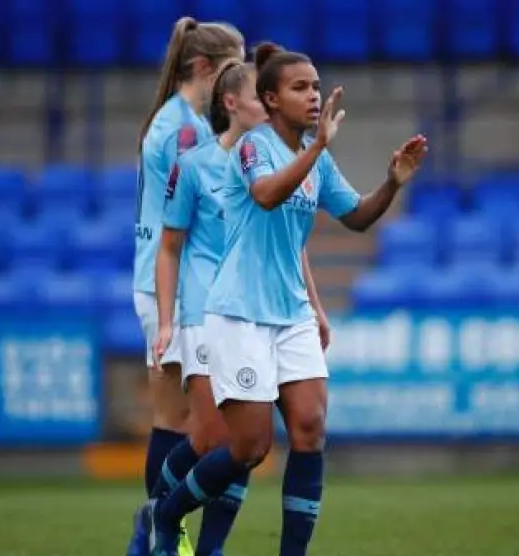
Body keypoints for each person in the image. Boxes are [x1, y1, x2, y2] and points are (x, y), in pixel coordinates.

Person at [144, 42, 428, 556]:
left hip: (292, 313)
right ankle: (165, 514)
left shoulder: (317, 159)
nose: (314, 95)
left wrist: (391, 183)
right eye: (300, 87)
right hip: (238, 312)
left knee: (310, 428)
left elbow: (357, 217)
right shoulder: (253, 146)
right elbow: (266, 195)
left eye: (316, 86)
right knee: (248, 447)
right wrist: (316, 149)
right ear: (271, 100)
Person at [135, 57, 328, 555]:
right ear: (234, 103)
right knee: (215, 439)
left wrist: (314, 305)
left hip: (267, 309)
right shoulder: (194, 164)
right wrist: (166, 320)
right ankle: (158, 516)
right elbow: (169, 246)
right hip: (209, 311)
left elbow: (291, 243)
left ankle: (202, 543)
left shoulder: (276, 161)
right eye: (260, 96)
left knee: (242, 442)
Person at [129, 16, 244, 556]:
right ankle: (162, 528)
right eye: (231, 68)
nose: (240, 80)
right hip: (171, 288)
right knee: (196, 423)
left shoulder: (178, 120)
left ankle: (159, 529)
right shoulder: (185, 130)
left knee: (188, 422)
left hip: (167, 283)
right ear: (203, 68)